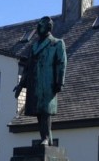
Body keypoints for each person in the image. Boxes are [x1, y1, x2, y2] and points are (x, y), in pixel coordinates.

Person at [13, 16, 67, 145]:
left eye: (41, 25)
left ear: (48, 27)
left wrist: (59, 82)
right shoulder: (34, 46)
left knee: (45, 111)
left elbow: (61, 63)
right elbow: (27, 67)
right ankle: (47, 138)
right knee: (39, 112)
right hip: (35, 82)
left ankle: (46, 138)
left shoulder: (57, 43)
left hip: (48, 82)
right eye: (38, 25)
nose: (38, 28)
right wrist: (21, 84)